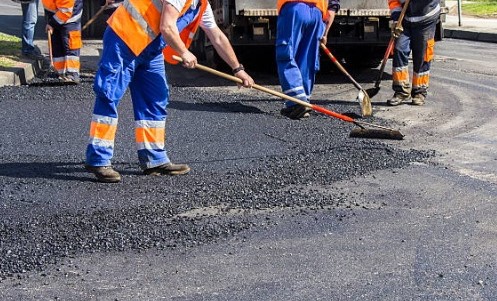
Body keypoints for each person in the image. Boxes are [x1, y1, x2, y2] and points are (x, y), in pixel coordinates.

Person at [84, 0, 254, 183]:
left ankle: (154, 159)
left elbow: (217, 36)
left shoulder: (201, 5)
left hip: (150, 49)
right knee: (109, 94)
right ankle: (98, 159)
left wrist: (238, 69)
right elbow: (166, 26)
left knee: (155, 99)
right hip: (125, 37)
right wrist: (184, 52)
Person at [276, 0, 340, 120]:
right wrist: (325, 32)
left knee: (286, 54)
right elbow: (332, 6)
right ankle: (304, 99)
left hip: (294, 8)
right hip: (317, 13)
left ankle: (296, 102)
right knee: (307, 59)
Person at [387, 0, 441, 106]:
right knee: (399, 49)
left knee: (422, 55)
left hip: (427, 18)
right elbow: (393, 1)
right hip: (405, 19)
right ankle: (401, 92)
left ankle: (419, 92)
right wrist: (396, 17)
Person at [42, 0, 83, 83]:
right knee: (57, 45)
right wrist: (50, 21)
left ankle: (72, 73)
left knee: (70, 45)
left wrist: (52, 23)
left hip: (70, 17)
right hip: (55, 14)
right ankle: (60, 73)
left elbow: (66, 11)